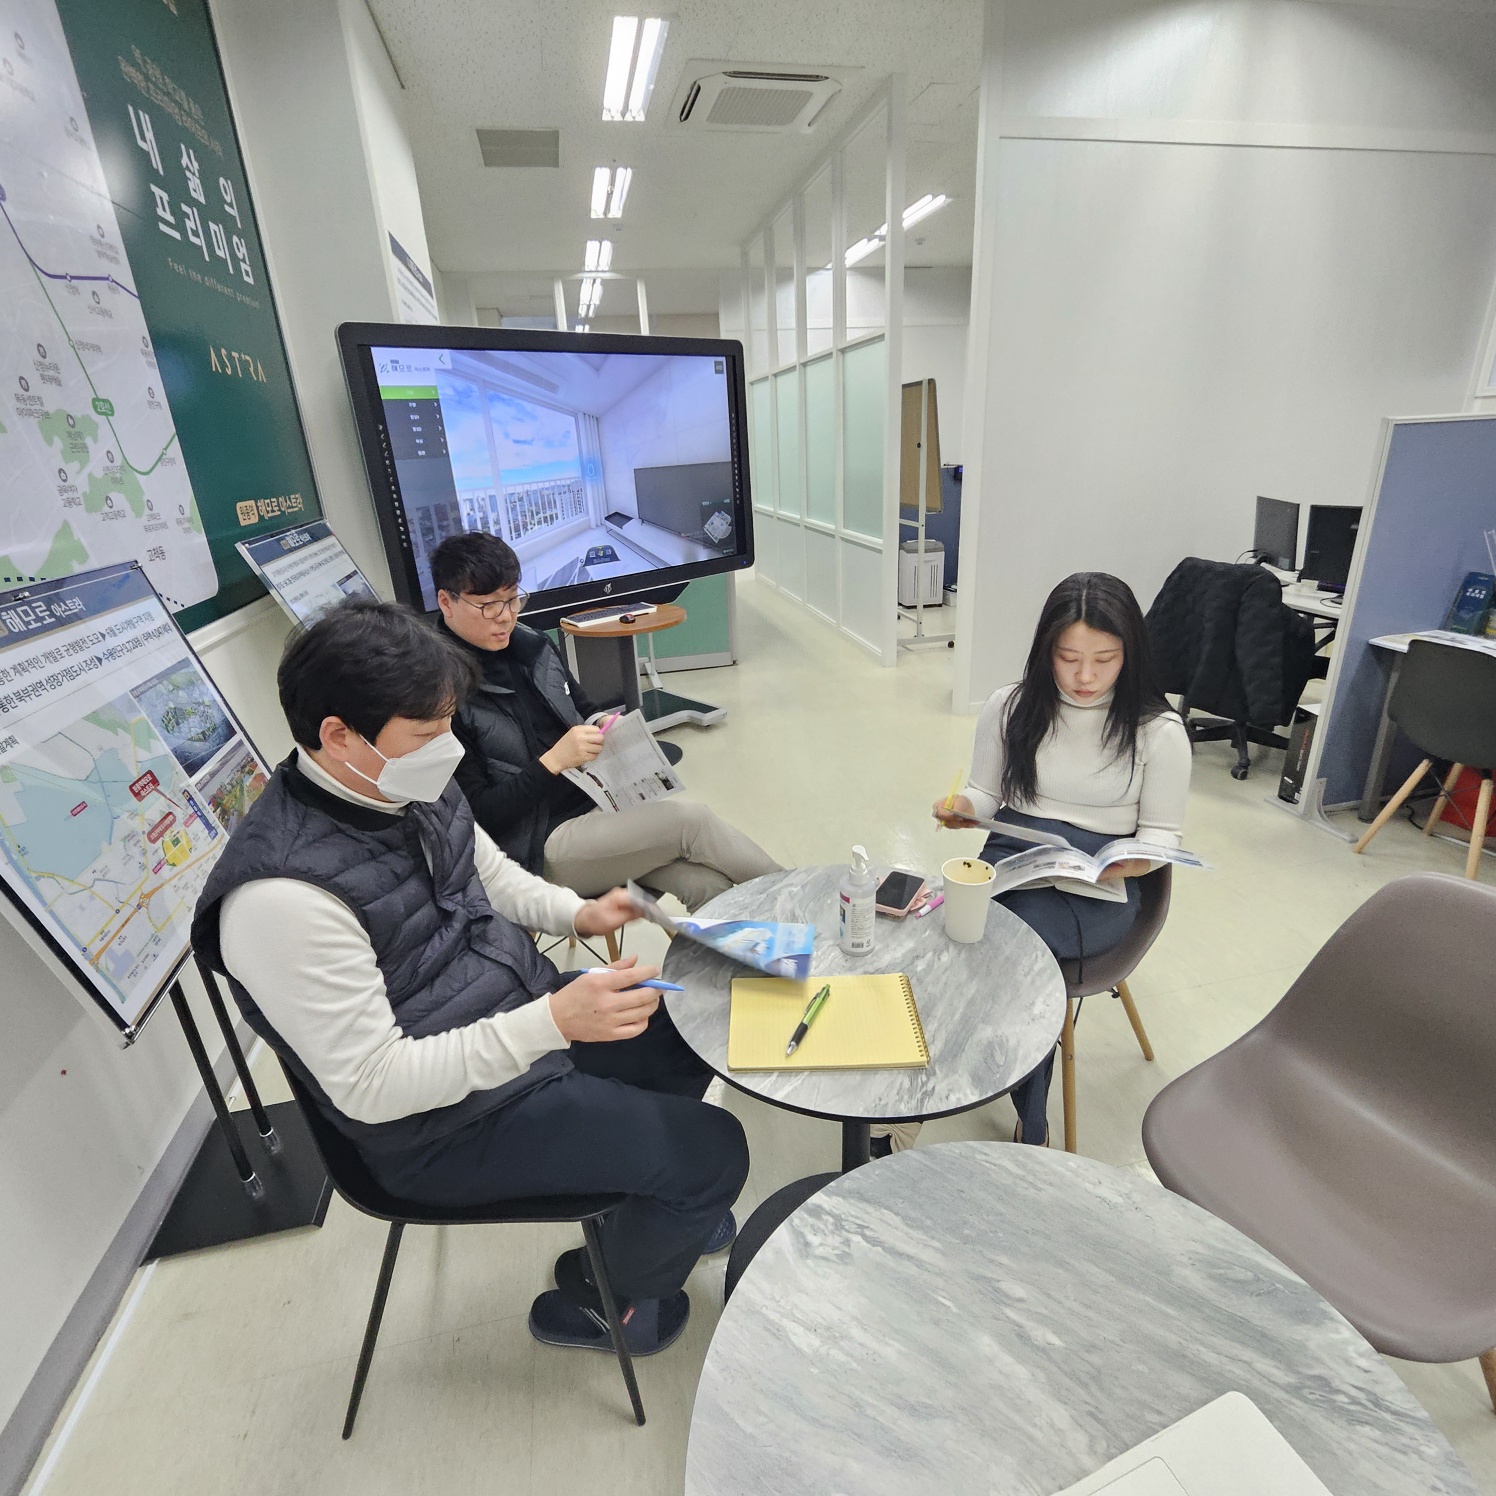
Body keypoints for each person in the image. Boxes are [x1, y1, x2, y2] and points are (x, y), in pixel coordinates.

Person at [191, 599, 748, 1356]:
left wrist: (577, 914)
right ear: (338, 735)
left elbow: (486, 872)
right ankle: (609, 1300)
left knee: (690, 1030)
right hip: (437, 1127)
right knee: (715, 1152)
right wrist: (551, 1023)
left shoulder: (402, 780)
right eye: (426, 735)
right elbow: (373, 1086)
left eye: (449, 726)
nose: (447, 750)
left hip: (510, 1018)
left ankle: (651, 1202)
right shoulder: (280, 902)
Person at [929, 571, 1191, 1147]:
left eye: (1105, 659)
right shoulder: (1011, 706)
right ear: (1046, 651)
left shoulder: (1158, 731)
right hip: (1013, 855)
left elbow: (1162, 837)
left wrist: (1133, 864)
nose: (1085, 677)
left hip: (1103, 883)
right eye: (1068, 658)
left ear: (1130, 654)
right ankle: (940, 1083)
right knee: (945, 933)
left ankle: (1021, 1112)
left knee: (1016, 954)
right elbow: (985, 793)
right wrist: (962, 808)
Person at [431, 531, 782, 913]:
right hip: (538, 845)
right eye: (488, 606)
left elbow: (582, 706)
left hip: (599, 804)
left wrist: (602, 724)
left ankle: (755, 947)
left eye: (513, 598)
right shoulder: (438, 695)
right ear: (446, 602)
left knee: (706, 884)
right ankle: (806, 900)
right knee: (690, 821)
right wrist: (554, 762)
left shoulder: (532, 645)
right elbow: (479, 817)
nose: (506, 616)